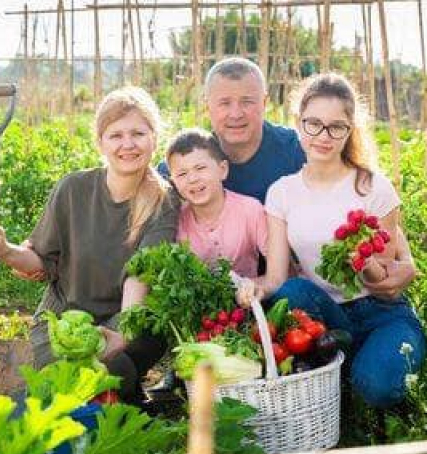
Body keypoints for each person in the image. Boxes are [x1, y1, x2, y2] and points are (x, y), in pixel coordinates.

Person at [0, 86, 180, 405]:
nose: (128, 144)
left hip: (122, 316)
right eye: (116, 135)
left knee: (123, 358)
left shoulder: (163, 202)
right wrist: (4, 250)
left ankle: (119, 390)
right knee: (55, 387)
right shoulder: (74, 189)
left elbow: (139, 277)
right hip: (63, 317)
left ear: (154, 138)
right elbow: (40, 261)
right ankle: (114, 393)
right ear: (100, 142)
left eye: (138, 133)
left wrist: (121, 336)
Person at [159, 57, 416, 299]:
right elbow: (151, 205)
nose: (236, 113)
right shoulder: (193, 160)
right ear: (207, 106)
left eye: (247, 101)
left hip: (287, 285)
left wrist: (405, 261)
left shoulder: (295, 149)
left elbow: (360, 199)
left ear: (264, 102)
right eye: (224, 103)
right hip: (237, 290)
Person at [249, 72, 425, 407]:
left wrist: (365, 262)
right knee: (291, 291)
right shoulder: (282, 193)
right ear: (298, 124)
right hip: (324, 317)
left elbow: (385, 282)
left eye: (336, 127)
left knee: (373, 388)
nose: (323, 136)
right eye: (313, 123)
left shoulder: (373, 187)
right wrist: (251, 287)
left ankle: (375, 358)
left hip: (381, 312)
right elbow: (275, 278)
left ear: (349, 130)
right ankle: (343, 363)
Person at [166, 128, 267, 279]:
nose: (192, 179)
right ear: (173, 182)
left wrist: (255, 288)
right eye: (182, 174)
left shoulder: (250, 210)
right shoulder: (175, 221)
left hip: (249, 297)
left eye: (200, 168)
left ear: (222, 170)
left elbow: (279, 270)